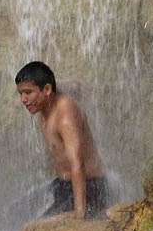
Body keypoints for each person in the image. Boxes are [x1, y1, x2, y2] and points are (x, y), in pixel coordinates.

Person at [14, 61, 110, 219]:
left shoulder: (65, 115)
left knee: (41, 227)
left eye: (28, 92)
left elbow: (77, 163)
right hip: (63, 185)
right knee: (15, 211)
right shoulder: (46, 104)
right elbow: (72, 86)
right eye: (20, 93)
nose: (23, 99)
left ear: (47, 89)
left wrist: (79, 211)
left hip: (90, 187)